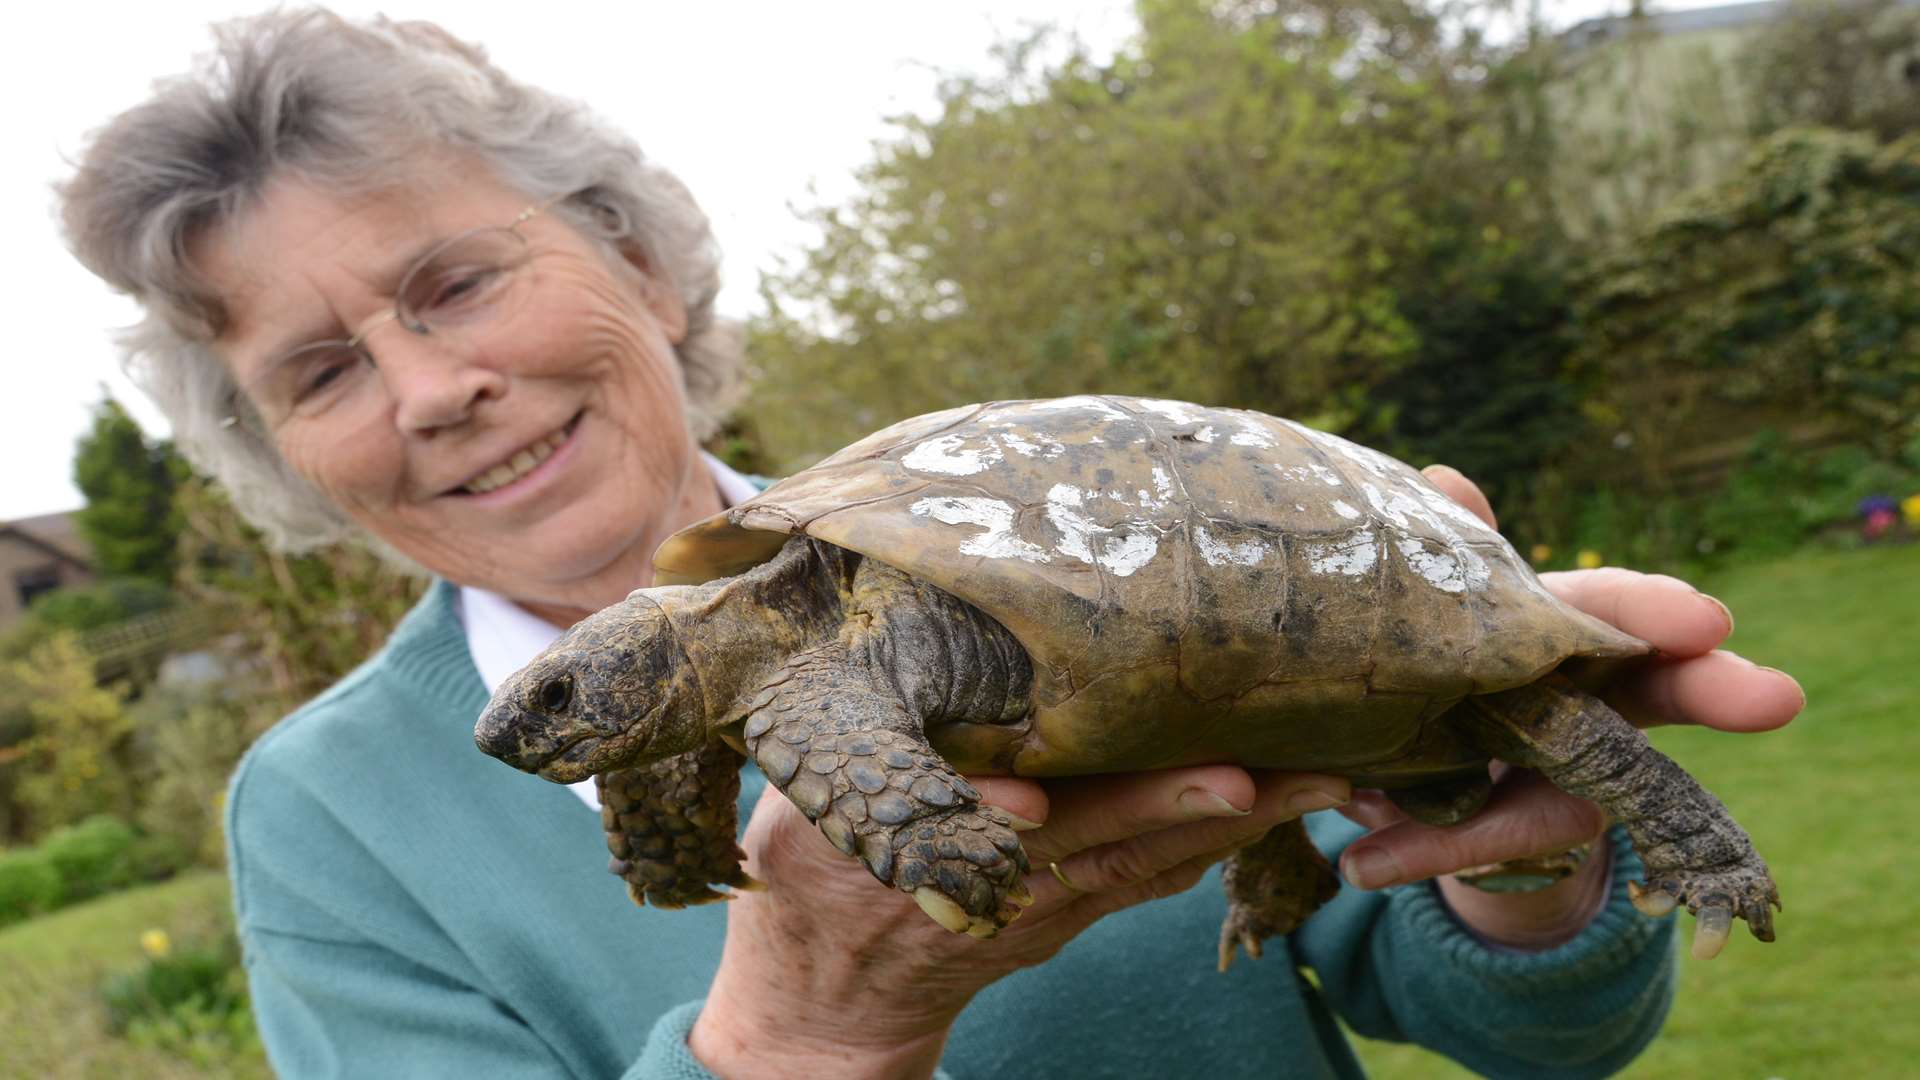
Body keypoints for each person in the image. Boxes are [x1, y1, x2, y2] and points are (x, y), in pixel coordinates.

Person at [58, 10, 1805, 1079]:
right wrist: (808, 1041)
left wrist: (1523, 853)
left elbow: (1527, 1028)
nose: (435, 388)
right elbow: (719, 706)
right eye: (319, 368)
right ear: (276, 451)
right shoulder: (326, 822)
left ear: (642, 268)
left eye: (456, 281)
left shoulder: (1020, 528)